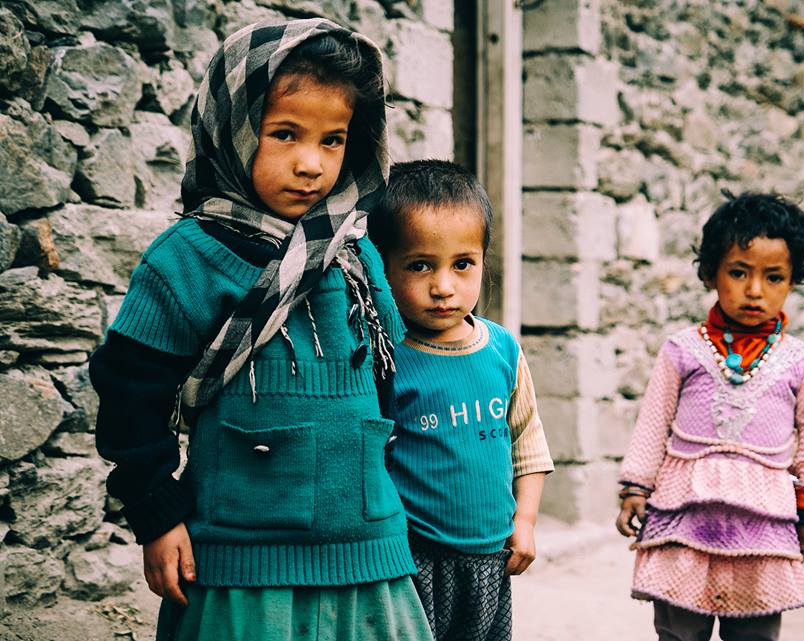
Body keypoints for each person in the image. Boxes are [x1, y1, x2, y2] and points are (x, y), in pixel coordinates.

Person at [89, 19, 432, 641]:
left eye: (333, 140)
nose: (311, 164)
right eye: (285, 134)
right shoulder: (187, 259)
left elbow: (387, 380)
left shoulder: (355, 254)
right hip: (240, 566)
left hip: (368, 554)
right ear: (233, 129)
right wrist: (155, 513)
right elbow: (129, 393)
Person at [614, 192, 804, 641]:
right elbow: (653, 423)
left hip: (763, 523)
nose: (755, 290)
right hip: (684, 517)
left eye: (773, 277)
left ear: (793, 280)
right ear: (709, 273)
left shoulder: (801, 362)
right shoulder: (682, 350)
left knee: (755, 632)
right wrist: (636, 487)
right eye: (739, 272)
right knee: (679, 629)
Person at [369, 159, 555, 641]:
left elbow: (527, 443)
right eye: (420, 265)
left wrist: (525, 521)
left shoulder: (502, 350)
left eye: (462, 264)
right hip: (413, 557)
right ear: (382, 265)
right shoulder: (385, 357)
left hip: (491, 557)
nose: (444, 287)